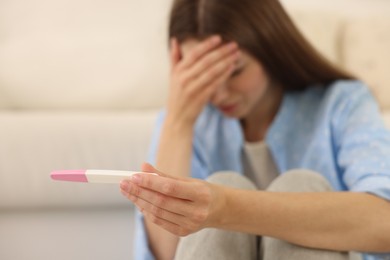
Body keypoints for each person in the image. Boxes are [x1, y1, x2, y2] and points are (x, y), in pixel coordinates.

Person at [120, 0, 390, 259]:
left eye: (235, 71)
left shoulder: (341, 104)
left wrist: (224, 207)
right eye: (204, 77)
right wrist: (178, 122)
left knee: (297, 186)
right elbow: (166, 255)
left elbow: (385, 220)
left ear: (270, 50)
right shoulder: (188, 123)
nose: (220, 93)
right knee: (222, 182)